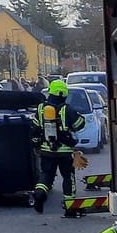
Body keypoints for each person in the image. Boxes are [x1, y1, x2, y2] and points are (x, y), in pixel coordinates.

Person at [31, 78, 86, 217]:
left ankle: (39, 193)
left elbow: (35, 129)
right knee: (68, 178)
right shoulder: (66, 109)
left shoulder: (41, 108)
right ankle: (70, 209)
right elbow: (80, 124)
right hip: (65, 152)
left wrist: (36, 145)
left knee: (46, 175)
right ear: (63, 94)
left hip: (46, 151)